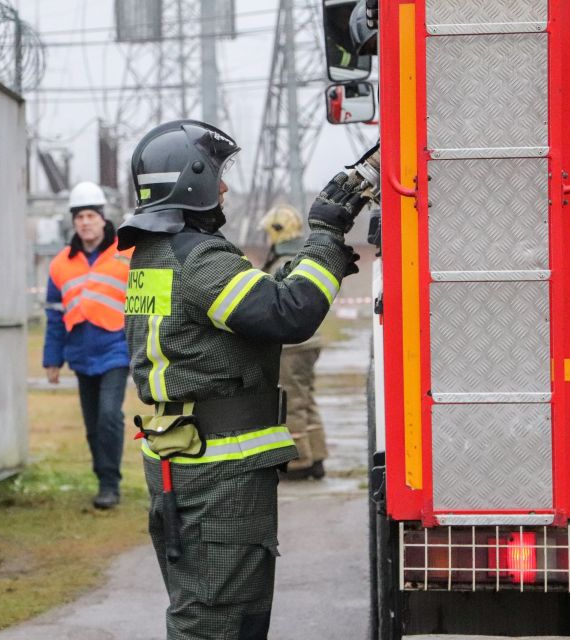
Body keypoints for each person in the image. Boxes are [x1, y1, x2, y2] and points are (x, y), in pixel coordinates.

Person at [119, 120, 367, 639]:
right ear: (191, 182)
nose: (226, 187)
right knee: (217, 621)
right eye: (217, 175)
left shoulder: (158, 256)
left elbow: (254, 306)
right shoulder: (198, 258)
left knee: (225, 616)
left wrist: (319, 261)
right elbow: (287, 314)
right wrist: (323, 234)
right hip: (217, 477)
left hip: (192, 463)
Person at [43, 181, 132, 509]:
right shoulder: (61, 264)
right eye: (79, 216)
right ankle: (103, 479)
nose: (85, 222)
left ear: (102, 218)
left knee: (110, 415)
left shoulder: (127, 253)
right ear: (73, 221)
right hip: (80, 351)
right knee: (93, 423)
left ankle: (111, 483)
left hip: (115, 348)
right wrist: (52, 359)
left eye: (91, 215)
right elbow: (54, 315)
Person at [259, 204, 328, 481]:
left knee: (291, 402)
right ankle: (317, 456)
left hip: (292, 347)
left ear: (277, 233)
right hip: (310, 344)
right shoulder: (303, 259)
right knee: (306, 398)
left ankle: (299, 463)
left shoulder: (281, 265)